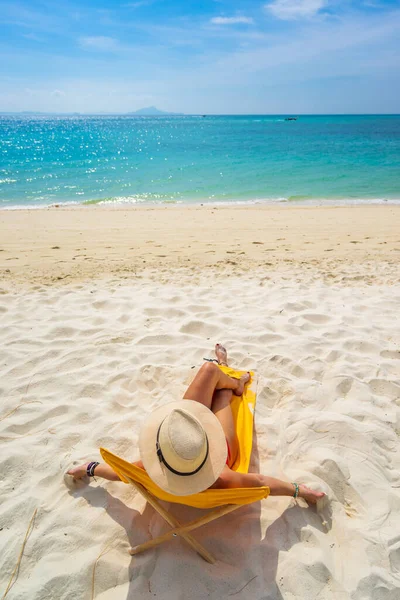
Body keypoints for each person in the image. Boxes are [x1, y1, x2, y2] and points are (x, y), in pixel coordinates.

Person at [68, 344, 325, 504]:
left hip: (183, 428)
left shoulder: (153, 465)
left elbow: (118, 472)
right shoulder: (220, 476)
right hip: (217, 448)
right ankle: (234, 381)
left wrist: (88, 468)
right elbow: (260, 482)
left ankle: (225, 371)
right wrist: (299, 491)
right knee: (222, 395)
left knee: (208, 371)